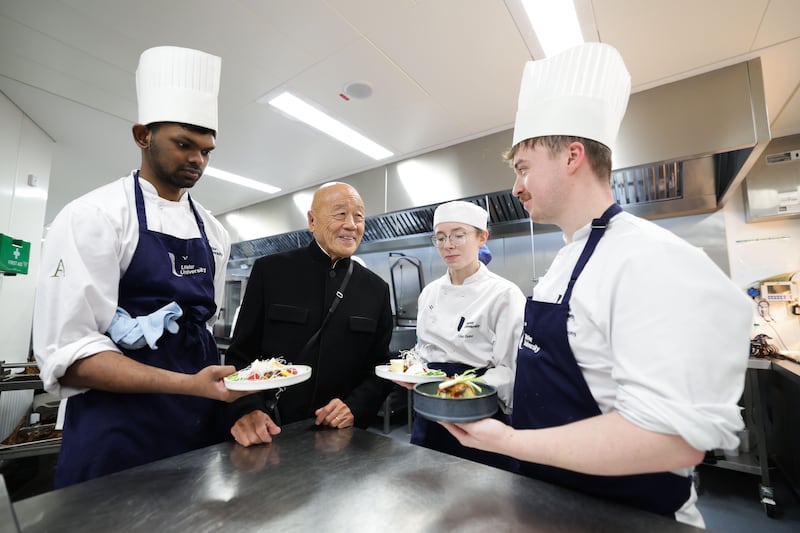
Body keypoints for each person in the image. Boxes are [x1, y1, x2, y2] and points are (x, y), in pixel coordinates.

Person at [441, 43, 752, 527]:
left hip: (630, 514)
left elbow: (669, 438)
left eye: (523, 168)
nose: (516, 187)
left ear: (572, 156)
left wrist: (509, 442)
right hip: (555, 503)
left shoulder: (647, 258)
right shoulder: (570, 257)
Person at [32, 46, 250, 487]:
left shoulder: (213, 231)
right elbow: (69, 356)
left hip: (198, 421)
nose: (198, 161)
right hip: (119, 430)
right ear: (142, 135)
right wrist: (189, 384)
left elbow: (202, 328)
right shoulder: (94, 216)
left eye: (207, 151)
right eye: (184, 145)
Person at [227, 182, 394, 445]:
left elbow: (381, 367)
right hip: (270, 429)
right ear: (312, 221)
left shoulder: (376, 289)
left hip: (339, 437)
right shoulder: (270, 273)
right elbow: (240, 355)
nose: (351, 224)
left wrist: (354, 407)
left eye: (359, 216)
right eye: (340, 214)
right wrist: (249, 409)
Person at [393, 200, 525, 469]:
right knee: (428, 484)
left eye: (458, 235)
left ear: (482, 238)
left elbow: (511, 368)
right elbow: (423, 350)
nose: (448, 245)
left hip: (479, 407)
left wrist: (463, 388)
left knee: (484, 497)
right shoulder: (429, 292)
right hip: (430, 407)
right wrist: (414, 370)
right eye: (440, 238)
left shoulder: (504, 294)